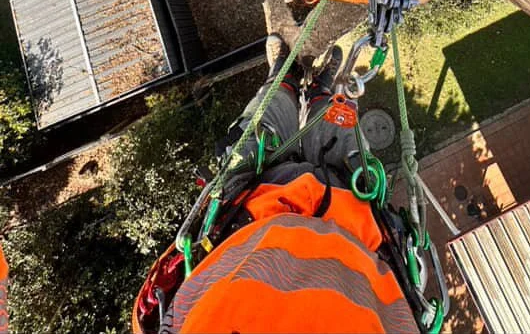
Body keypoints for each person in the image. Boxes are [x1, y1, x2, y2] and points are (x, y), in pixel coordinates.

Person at [133, 35, 418, 333]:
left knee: (267, 113)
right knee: (338, 122)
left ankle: (283, 75)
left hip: (251, 211)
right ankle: (321, 88)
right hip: (354, 220)